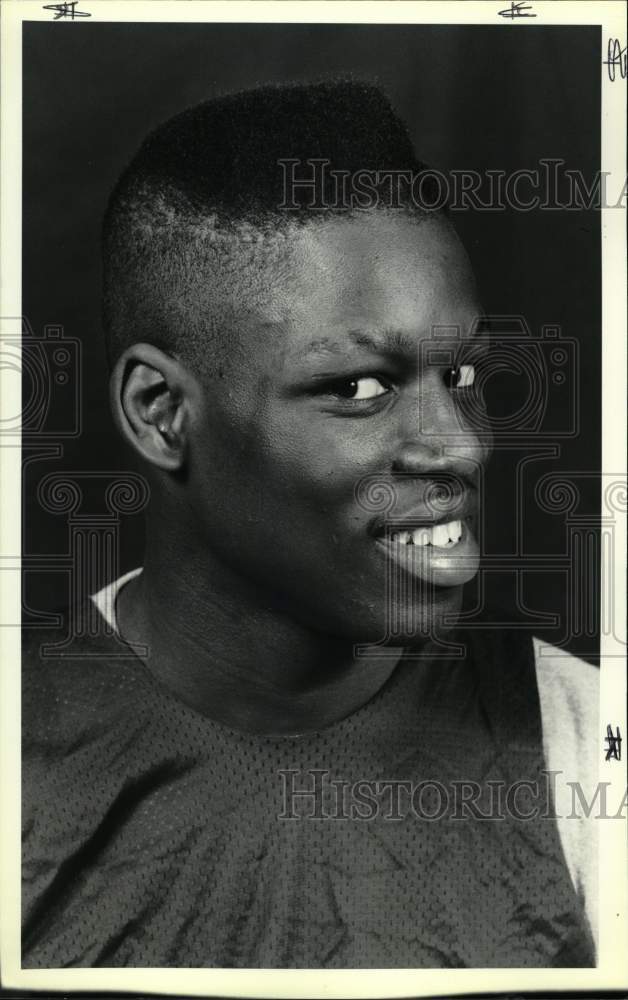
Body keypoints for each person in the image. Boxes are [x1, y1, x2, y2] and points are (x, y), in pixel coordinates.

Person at [22, 80, 598, 968]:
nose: (459, 448)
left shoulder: (583, 745)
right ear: (161, 412)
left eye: (465, 377)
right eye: (359, 388)